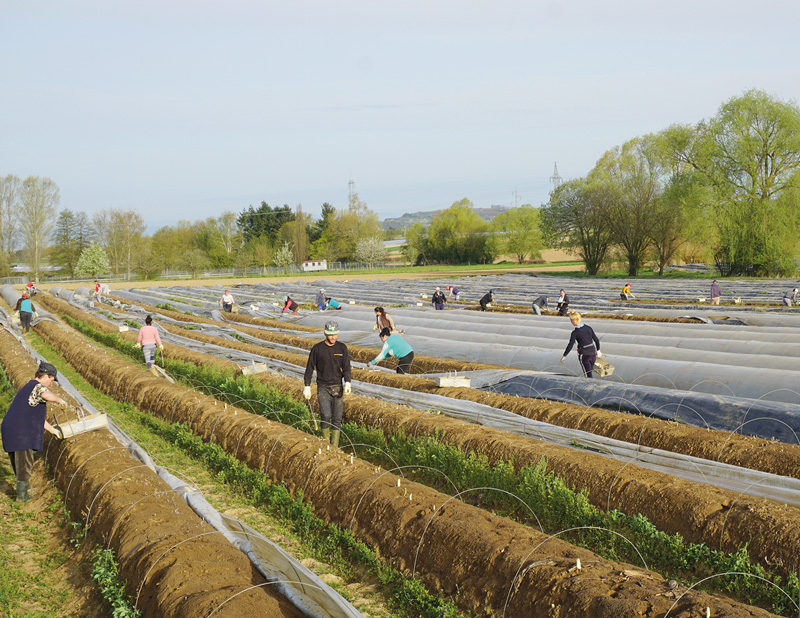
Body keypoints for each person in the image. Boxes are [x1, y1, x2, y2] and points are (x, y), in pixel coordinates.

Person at [1, 361, 65, 501]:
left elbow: (36, 417)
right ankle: (22, 496)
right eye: (52, 380)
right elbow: (47, 395)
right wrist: (60, 400)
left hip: (12, 428)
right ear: (46, 376)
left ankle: (23, 490)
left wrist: (52, 430)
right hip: (19, 431)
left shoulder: (30, 388)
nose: (51, 384)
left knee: (19, 461)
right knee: (24, 461)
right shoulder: (36, 387)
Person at [303, 321, 352, 447]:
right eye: (330, 334)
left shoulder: (342, 348)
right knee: (326, 414)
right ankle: (326, 444)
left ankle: (334, 447)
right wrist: (307, 386)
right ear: (325, 333)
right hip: (323, 387)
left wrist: (347, 382)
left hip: (337, 386)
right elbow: (309, 368)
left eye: (335, 334)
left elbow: (346, 367)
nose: (333, 337)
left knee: (337, 418)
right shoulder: (317, 349)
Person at [561, 312, 602, 378]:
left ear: (574, 320)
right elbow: (596, 340)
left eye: (571, 321)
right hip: (592, 353)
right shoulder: (589, 328)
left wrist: (564, 355)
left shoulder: (575, 332)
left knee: (587, 375)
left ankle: (589, 386)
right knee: (590, 372)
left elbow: (570, 345)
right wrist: (598, 350)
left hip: (584, 355)